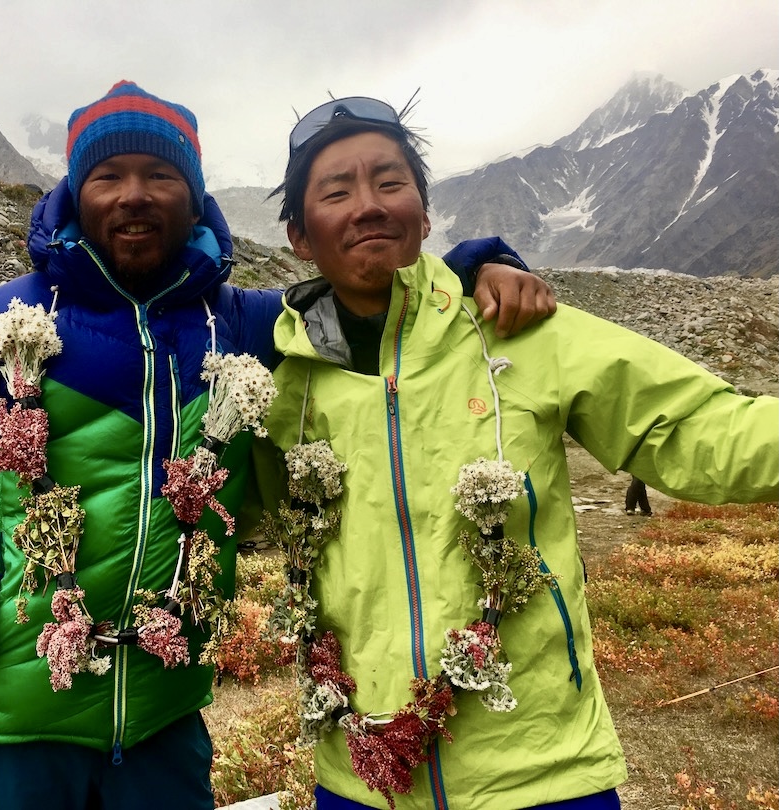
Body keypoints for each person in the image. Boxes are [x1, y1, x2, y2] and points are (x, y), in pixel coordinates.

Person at [0, 81, 554, 810]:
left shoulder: (243, 327)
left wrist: (478, 266)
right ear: (75, 194)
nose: (135, 195)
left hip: (165, 729)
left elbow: (367, 300)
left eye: (161, 176)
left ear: (193, 200)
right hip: (15, 735)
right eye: (108, 176)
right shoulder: (3, 328)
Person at [259, 96, 779, 810]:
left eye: (389, 182)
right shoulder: (286, 387)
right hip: (361, 780)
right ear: (298, 235)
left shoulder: (519, 330)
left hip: (541, 772)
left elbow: (698, 429)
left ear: (426, 214)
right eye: (336, 191)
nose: (368, 206)